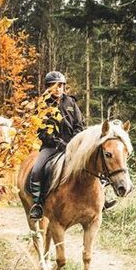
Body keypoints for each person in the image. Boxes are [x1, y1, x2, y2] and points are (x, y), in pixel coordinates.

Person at [28, 71, 85, 220]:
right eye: (54, 86)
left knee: (93, 162)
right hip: (51, 147)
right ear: (48, 87)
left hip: (73, 145)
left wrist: (73, 141)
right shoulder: (42, 104)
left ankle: (101, 201)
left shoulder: (71, 102)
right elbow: (40, 130)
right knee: (37, 170)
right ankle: (38, 204)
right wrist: (56, 142)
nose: (58, 89)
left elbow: (80, 124)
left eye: (61, 85)